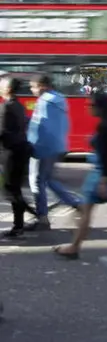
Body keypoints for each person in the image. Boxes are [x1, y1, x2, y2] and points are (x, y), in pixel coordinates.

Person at [53, 92, 107, 259]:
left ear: (100, 107)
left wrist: (104, 180)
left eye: (91, 105)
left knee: (86, 211)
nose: (88, 108)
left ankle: (74, 247)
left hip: (101, 174)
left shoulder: (105, 127)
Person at [26, 74, 81, 231]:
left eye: (33, 87)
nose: (32, 90)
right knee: (48, 179)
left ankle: (42, 218)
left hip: (43, 148)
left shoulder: (43, 102)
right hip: (59, 146)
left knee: (37, 181)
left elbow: (39, 127)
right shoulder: (60, 99)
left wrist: (30, 145)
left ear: (42, 86)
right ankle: (75, 203)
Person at [0, 76, 36, 237]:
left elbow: (2, 132)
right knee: (14, 189)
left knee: (10, 189)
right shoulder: (19, 105)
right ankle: (20, 224)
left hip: (11, 152)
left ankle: (22, 222)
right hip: (20, 149)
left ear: (7, 89)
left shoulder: (5, 107)